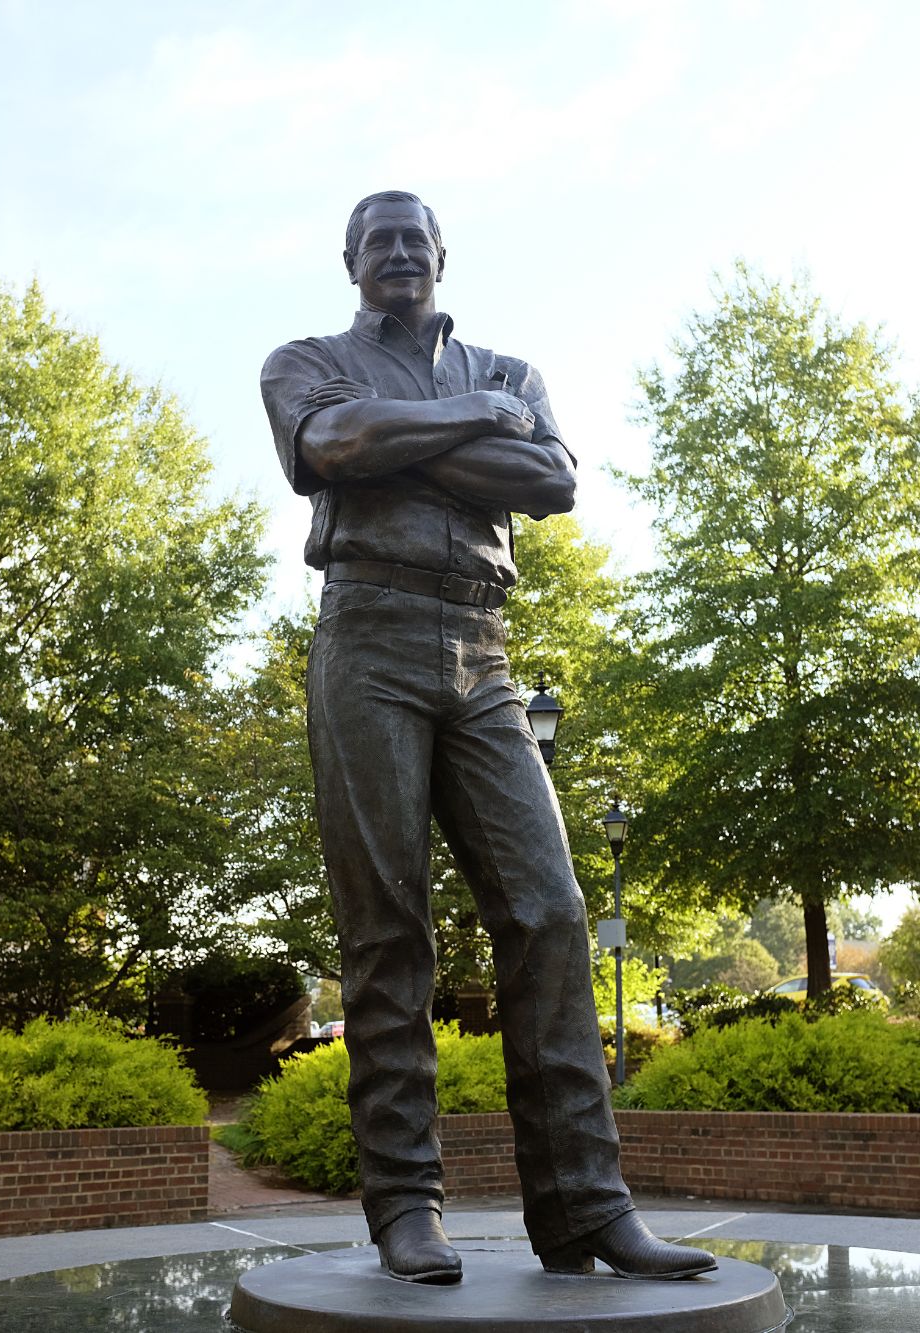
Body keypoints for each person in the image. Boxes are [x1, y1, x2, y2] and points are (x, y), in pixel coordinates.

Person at [259, 191, 714, 1285]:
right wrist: (474, 425)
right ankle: (405, 1205)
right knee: (385, 923)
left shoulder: (510, 366)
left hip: (481, 645)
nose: (399, 253)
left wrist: (393, 447)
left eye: (415, 238)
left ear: (442, 256)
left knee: (551, 910)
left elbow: (550, 482)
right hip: (365, 631)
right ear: (349, 262)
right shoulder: (305, 358)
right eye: (380, 241)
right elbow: (331, 439)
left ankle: (583, 1207)